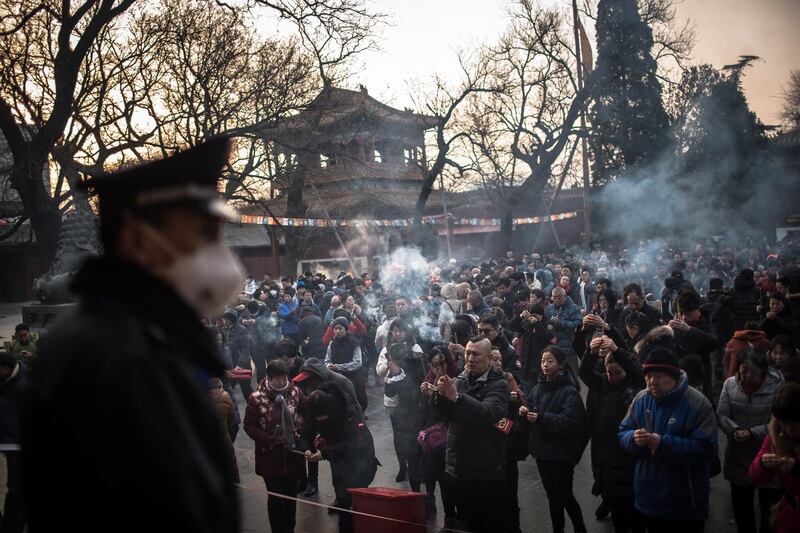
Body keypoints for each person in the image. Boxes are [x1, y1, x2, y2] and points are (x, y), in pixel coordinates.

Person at [20, 138, 241, 532]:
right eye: (203, 235)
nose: (220, 253)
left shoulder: (147, 333)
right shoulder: (117, 355)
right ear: (139, 240)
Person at [619, 348, 718, 533]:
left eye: (658, 375)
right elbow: (623, 431)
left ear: (673, 376)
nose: (652, 381)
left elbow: (705, 449)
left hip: (685, 504)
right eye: (648, 376)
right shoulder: (641, 399)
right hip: (647, 500)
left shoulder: (698, 404)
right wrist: (633, 438)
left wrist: (663, 444)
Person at [432, 335, 510, 533]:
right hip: (458, 464)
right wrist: (438, 395)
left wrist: (457, 398)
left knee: (490, 521)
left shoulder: (499, 385)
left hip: (485, 466)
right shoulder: (460, 380)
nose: (470, 358)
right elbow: (445, 415)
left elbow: (487, 413)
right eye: (467, 353)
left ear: (488, 358)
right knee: (466, 521)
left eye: (476, 354)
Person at [519, 345, 589, 533]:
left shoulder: (569, 391)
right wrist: (524, 412)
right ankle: (558, 528)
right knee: (551, 495)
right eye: (543, 361)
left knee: (565, 495)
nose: (545, 365)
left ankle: (580, 528)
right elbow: (531, 407)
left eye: (550, 361)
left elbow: (570, 423)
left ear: (561, 364)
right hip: (542, 452)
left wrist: (541, 418)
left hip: (561, 454)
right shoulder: (537, 388)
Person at [579, 335, 644, 532]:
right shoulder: (600, 384)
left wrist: (616, 350)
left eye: (618, 373)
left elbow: (638, 372)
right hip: (603, 446)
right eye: (609, 372)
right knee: (615, 503)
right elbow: (584, 372)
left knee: (632, 504)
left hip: (626, 448)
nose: (612, 377)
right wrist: (591, 352)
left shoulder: (634, 386)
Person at [717, 349, 783, 533]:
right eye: (743, 370)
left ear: (763, 371)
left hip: (769, 456)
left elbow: (778, 421)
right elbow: (722, 414)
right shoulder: (730, 385)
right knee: (742, 510)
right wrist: (735, 429)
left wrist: (752, 433)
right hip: (738, 456)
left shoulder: (777, 386)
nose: (747, 376)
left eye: (753, 372)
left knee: (769, 510)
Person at [302, 383, 379, 533]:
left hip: (360, 453)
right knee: (340, 485)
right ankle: (343, 505)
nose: (320, 420)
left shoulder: (347, 409)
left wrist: (324, 453)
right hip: (336, 452)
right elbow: (306, 432)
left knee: (356, 491)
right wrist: (306, 448)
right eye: (318, 418)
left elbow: (353, 442)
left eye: (324, 417)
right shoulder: (314, 408)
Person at [244, 360, 307, 533]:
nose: (281, 382)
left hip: (293, 456)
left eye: (283, 377)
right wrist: (268, 438)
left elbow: (306, 410)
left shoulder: (295, 392)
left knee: (291, 498)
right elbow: (249, 426)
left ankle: (290, 528)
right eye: (277, 378)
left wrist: (300, 429)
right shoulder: (256, 398)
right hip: (270, 458)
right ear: (269, 378)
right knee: (276, 499)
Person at [748, 382, 800, 533]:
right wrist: (763, 464)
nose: (789, 429)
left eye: (795, 423)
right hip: (789, 516)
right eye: (784, 423)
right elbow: (755, 476)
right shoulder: (776, 436)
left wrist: (797, 469)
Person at [376, 318, 424, 482]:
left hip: (411, 401)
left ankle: (415, 466)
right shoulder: (386, 350)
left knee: (413, 436)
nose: (397, 333)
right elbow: (380, 371)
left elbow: (419, 373)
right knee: (398, 437)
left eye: (400, 330)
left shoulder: (415, 348)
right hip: (393, 402)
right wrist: (389, 364)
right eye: (394, 330)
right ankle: (402, 466)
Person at [0, 352, 27, 533]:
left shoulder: (23, 386)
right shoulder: (5, 379)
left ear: (7, 369)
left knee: (16, 486)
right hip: (6, 439)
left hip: (16, 443)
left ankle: (13, 525)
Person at [324, 316, 367, 412]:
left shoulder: (354, 343)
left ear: (346, 329)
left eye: (340, 328)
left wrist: (338, 367)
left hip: (354, 377)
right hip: (337, 377)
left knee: (359, 399)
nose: (337, 331)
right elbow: (327, 360)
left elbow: (357, 363)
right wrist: (329, 366)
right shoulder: (332, 344)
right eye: (335, 329)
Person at [222, 307, 255, 400]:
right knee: (228, 390)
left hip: (242, 366)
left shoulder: (242, 330)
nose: (224, 321)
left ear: (232, 320)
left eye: (227, 320)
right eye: (224, 319)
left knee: (247, 390)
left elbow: (246, 349)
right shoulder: (223, 329)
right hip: (229, 365)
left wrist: (240, 364)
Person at [545, 287, 583, 361]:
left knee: (572, 370)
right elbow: (545, 322)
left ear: (565, 296)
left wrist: (561, 322)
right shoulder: (549, 308)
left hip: (568, 347)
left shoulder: (573, 308)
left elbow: (579, 324)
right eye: (554, 297)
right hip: (553, 347)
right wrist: (549, 325)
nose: (556, 300)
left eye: (559, 297)